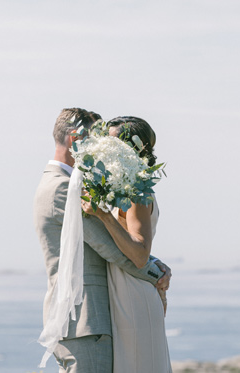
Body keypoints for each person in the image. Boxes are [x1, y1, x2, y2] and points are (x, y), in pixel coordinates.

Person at [34, 108, 171, 372]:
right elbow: (114, 249)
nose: (98, 149)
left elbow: (129, 245)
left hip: (107, 309)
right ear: (75, 139)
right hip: (85, 316)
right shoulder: (63, 188)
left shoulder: (122, 189)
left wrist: (154, 264)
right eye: (96, 139)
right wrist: (157, 274)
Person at [82, 116, 171, 372]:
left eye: (112, 143)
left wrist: (103, 215)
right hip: (122, 293)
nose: (105, 149)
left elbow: (141, 254)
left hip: (134, 296)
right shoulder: (120, 186)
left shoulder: (136, 190)